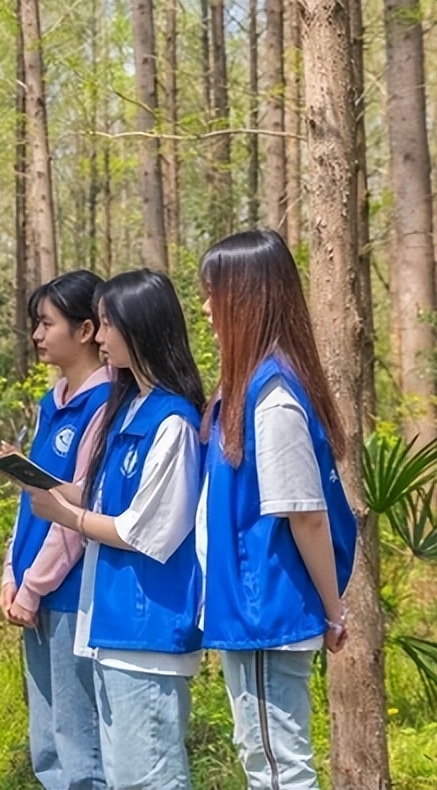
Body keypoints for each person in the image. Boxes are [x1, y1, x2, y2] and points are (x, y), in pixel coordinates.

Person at [25, 268, 206, 789]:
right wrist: (52, 488)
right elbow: (107, 496)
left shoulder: (172, 421)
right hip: (108, 624)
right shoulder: (130, 409)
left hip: (147, 630)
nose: (99, 337)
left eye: (107, 325)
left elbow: (146, 529)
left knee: (150, 776)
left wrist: (69, 517)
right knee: (124, 776)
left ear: (141, 326)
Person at [197, 229, 356, 789]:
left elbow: (305, 514)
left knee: (278, 766)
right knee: (267, 758)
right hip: (256, 605)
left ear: (246, 298)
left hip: (267, 607)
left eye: (213, 291)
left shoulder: (274, 399)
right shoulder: (254, 388)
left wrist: (335, 611)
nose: (206, 306)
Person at [0, 270, 110, 790]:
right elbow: (33, 499)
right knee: (46, 742)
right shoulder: (53, 402)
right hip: (32, 590)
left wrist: (34, 585)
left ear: (86, 329)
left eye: (47, 324)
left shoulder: (104, 405)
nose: (38, 336)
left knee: (76, 739)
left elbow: (76, 515)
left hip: (66, 595)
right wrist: (10, 576)